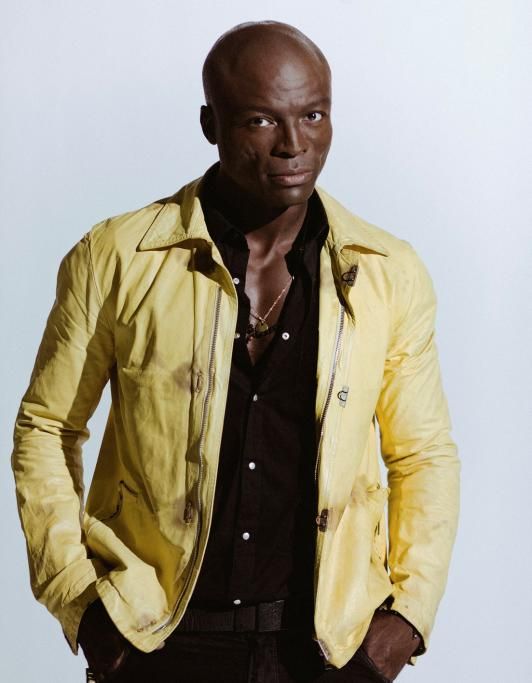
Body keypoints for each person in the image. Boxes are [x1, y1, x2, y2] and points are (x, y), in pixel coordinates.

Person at [11, 20, 460, 683]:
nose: (294, 143)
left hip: (327, 651)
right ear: (210, 124)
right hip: (157, 642)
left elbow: (422, 453)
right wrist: (82, 605)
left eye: (314, 115)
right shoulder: (117, 259)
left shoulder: (386, 272)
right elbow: (47, 427)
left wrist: (407, 618)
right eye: (261, 120)